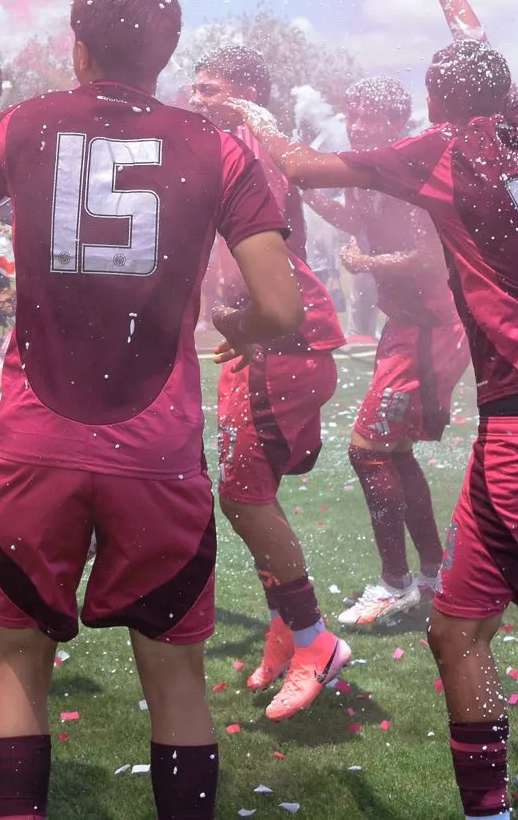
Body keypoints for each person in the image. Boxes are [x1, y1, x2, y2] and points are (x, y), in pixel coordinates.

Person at [0, 0, 307, 820]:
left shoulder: (21, 126)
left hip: (38, 444)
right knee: (175, 678)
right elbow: (279, 308)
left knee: (20, 663)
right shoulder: (220, 146)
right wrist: (237, 331)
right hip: (156, 453)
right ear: (168, 55)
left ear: (77, 44)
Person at [273, 0, 518, 819]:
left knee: (457, 631)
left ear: (436, 107)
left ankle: (487, 812)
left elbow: (306, 168)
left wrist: (246, 120)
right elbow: (476, 40)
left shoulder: (442, 147)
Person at [184, 46, 353, 719]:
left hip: (281, 344)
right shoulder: (242, 143)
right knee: (253, 497)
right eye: (193, 88)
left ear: (247, 92)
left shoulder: (252, 144)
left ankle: (315, 640)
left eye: (211, 89)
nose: (197, 100)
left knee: (245, 500)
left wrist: (233, 315)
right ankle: (285, 632)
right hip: (259, 342)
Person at [305, 76, 472, 629]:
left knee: (368, 451)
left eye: (371, 117)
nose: (357, 125)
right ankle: (430, 572)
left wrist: (368, 265)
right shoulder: (368, 174)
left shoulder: (409, 171)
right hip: (408, 328)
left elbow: (430, 255)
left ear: (397, 124)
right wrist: (312, 197)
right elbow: (363, 223)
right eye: (354, 114)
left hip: (431, 330)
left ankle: (393, 583)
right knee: (393, 453)